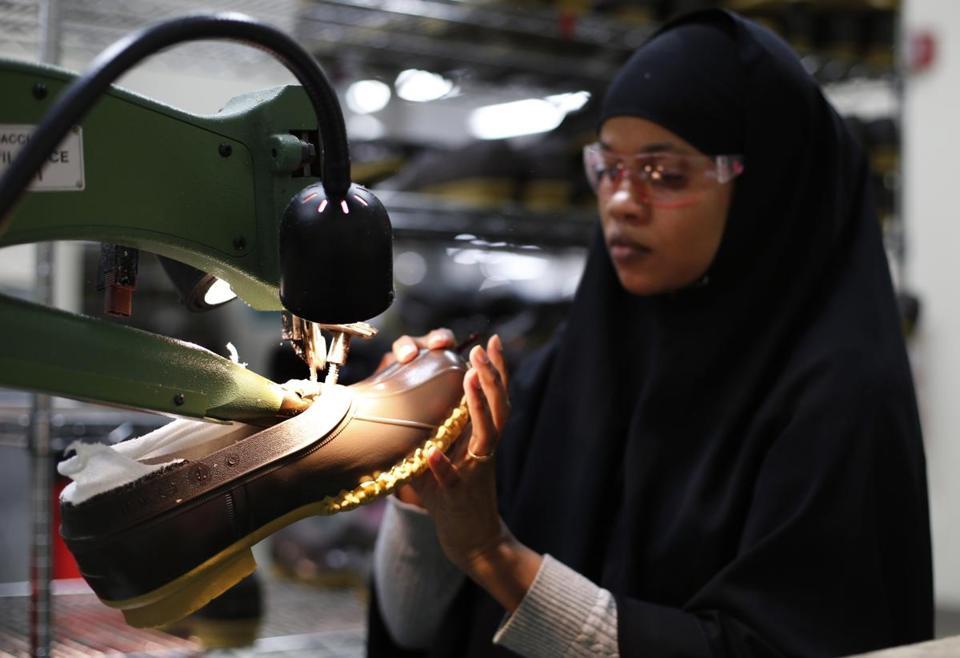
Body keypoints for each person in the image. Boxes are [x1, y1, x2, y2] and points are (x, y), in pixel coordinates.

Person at [367, 8, 933, 657]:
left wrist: (494, 555)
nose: (622, 201)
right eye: (608, 168)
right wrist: (422, 491)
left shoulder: (838, 402)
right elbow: (421, 637)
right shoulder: (568, 374)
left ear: (765, 188)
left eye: (664, 174)